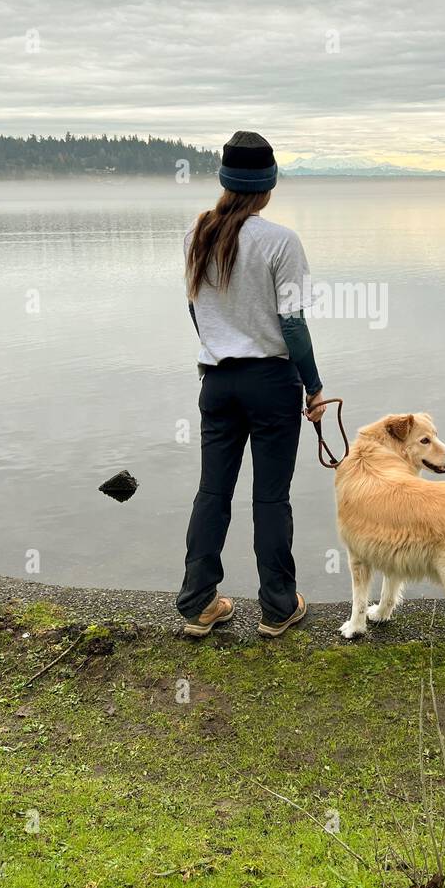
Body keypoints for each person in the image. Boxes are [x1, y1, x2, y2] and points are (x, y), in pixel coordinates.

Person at [177, 131, 326, 638]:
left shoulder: (198, 232)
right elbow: (293, 325)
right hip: (270, 383)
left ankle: (199, 602)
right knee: (271, 497)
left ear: (224, 179)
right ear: (269, 185)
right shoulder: (280, 241)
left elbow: (195, 309)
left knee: (212, 492)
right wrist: (314, 387)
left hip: (216, 382)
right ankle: (277, 606)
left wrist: (218, 346)